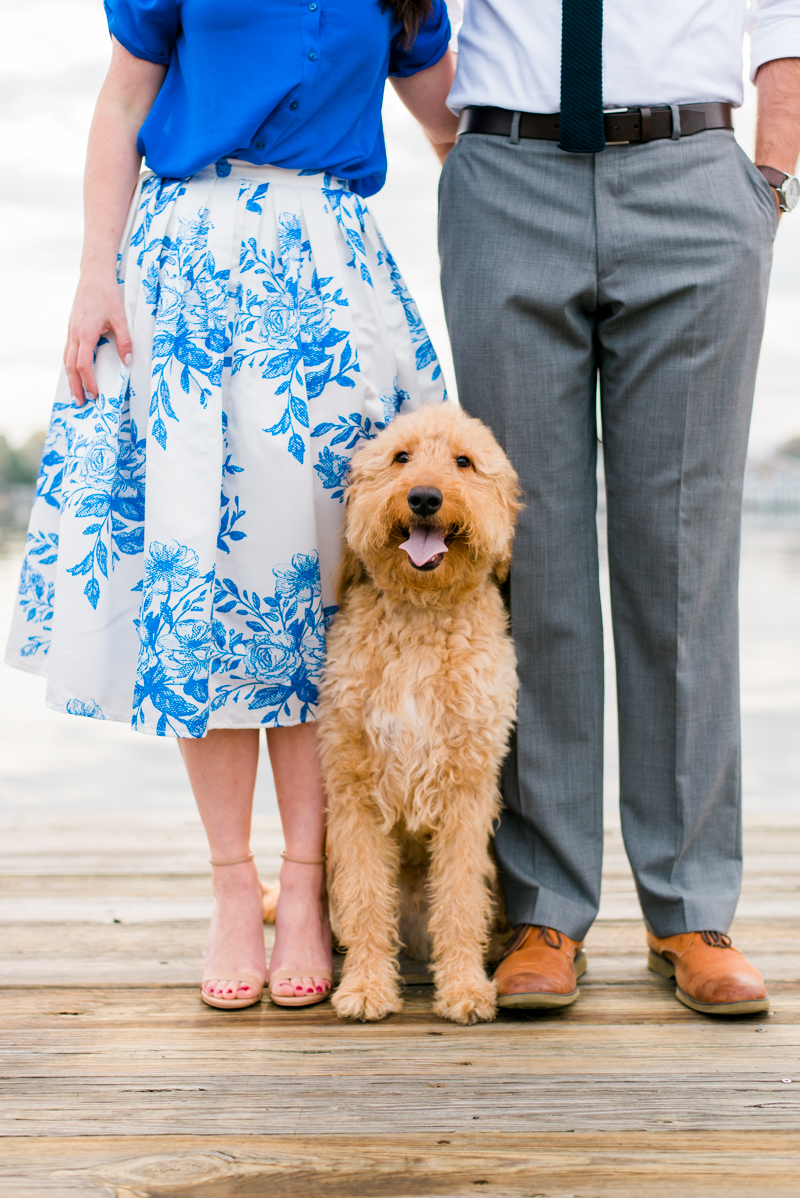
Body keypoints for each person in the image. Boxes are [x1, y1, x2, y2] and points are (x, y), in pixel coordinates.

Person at [5, 0, 458, 1010]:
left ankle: (305, 885)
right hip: (184, 269)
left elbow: (450, 128)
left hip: (332, 284)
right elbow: (123, 100)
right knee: (197, 581)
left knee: (317, 593)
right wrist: (93, 273)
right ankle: (227, 885)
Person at [438, 0, 800, 1015]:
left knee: (681, 561)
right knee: (530, 560)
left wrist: (767, 183)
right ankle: (543, 906)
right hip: (505, 174)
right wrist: (462, 157)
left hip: (692, 174)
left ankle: (687, 910)